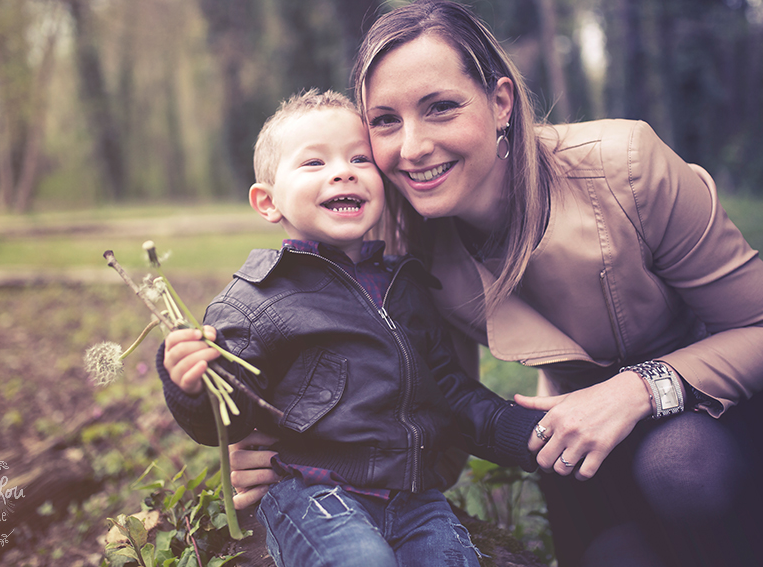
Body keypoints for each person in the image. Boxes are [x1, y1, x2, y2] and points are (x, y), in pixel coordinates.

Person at [229, 0, 763, 567]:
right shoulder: (401, 240)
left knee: (682, 465)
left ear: (500, 102)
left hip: (727, 403)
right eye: (386, 121)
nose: (412, 148)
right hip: (577, 436)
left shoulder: (627, 166)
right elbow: (431, 400)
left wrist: (635, 390)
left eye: (441, 107)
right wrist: (284, 452)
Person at [158, 88, 547, 567]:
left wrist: (526, 432)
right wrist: (191, 387)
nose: (343, 171)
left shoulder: (405, 286)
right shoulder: (256, 299)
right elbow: (231, 416)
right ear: (267, 201)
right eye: (314, 164)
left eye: (360, 159)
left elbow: (449, 391)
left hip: (411, 496)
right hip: (312, 492)